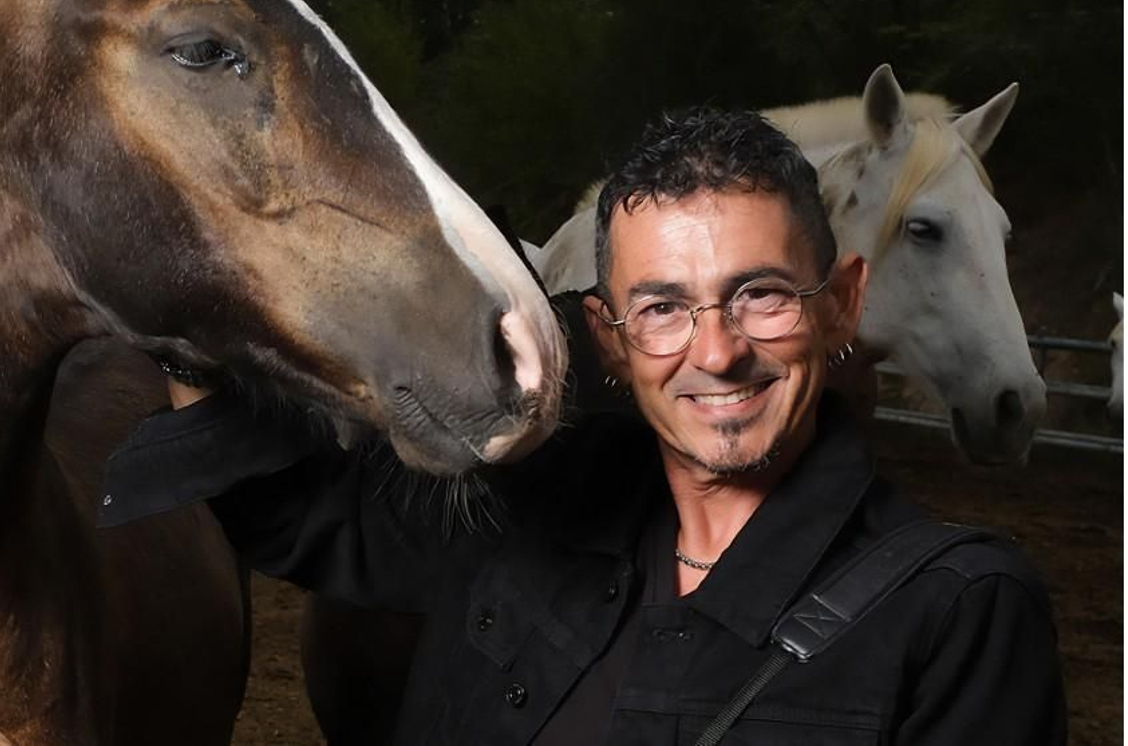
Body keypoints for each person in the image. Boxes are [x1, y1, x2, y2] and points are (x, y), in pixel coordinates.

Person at [99, 108, 1067, 744]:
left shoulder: (961, 615)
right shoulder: (527, 502)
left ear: (840, 305)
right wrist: (189, 337)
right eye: (660, 308)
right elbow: (295, 516)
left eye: (760, 295)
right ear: (604, 333)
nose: (716, 352)